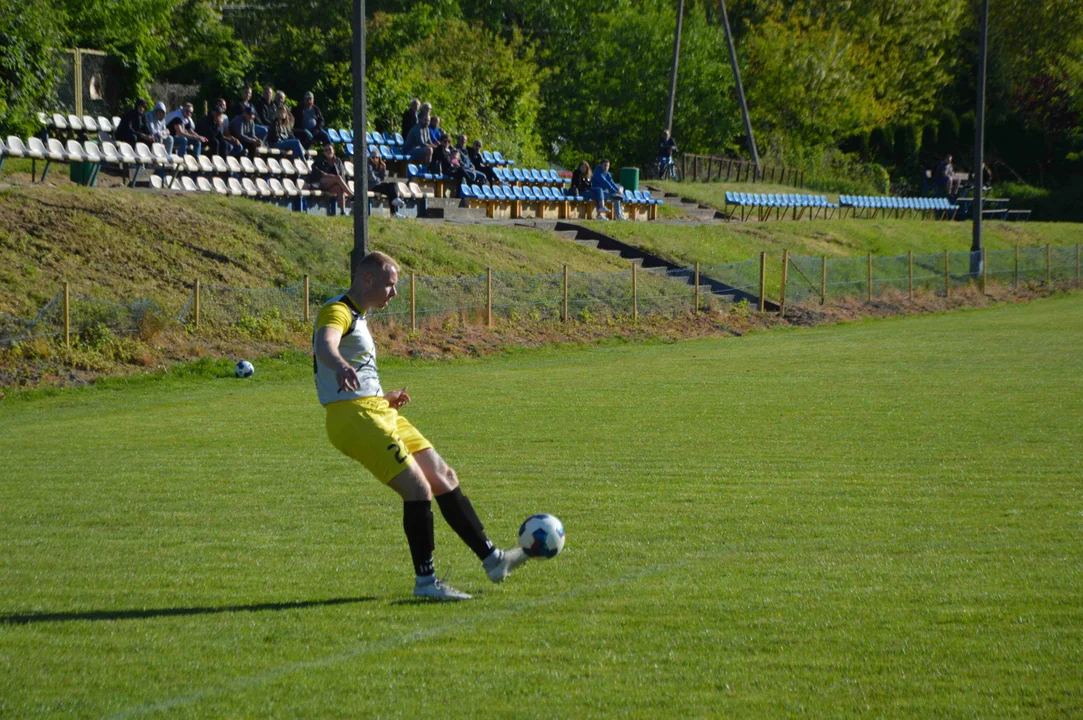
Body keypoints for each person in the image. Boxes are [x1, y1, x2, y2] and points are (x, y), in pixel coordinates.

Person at [312, 251, 529, 600]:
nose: (394, 294)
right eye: (390, 285)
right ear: (367, 280)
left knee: (443, 476)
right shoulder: (338, 310)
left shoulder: (362, 316)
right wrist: (338, 365)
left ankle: (493, 559)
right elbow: (325, 344)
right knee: (418, 490)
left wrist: (385, 398)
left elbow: (357, 371)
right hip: (354, 418)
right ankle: (426, 584)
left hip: (377, 410)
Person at [309, 144, 354, 215]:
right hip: (321, 182)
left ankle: (343, 211)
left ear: (334, 151)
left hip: (333, 185)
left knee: (340, 189)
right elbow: (314, 168)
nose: (328, 151)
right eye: (326, 150)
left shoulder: (338, 161)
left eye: (329, 149)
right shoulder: (320, 160)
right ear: (324, 152)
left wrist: (342, 186)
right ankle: (351, 196)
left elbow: (342, 174)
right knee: (337, 177)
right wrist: (325, 174)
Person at [368, 147, 405, 216]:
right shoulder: (368, 165)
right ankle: (393, 211)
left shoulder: (379, 166)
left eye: (377, 157)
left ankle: (394, 211)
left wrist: (384, 169)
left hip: (378, 184)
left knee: (393, 185)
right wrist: (379, 179)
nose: (375, 159)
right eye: (373, 157)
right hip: (371, 186)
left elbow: (383, 178)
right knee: (389, 189)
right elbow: (372, 178)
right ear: (370, 157)